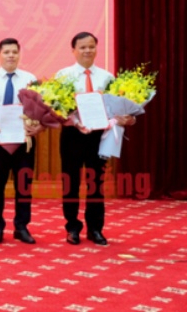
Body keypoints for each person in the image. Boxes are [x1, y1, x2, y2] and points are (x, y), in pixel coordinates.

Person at [55, 32, 136, 246]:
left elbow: (114, 106)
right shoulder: (63, 75)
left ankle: (95, 229)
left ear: (96, 49)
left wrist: (125, 117)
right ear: (73, 50)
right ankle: (72, 227)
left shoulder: (106, 77)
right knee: (70, 182)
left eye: (91, 46)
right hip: (73, 134)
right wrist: (74, 121)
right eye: (82, 47)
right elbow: (57, 109)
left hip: (99, 135)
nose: (87, 51)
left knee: (96, 182)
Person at [0, 38, 42, 245]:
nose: (10, 56)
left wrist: (37, 125)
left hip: (24, 140)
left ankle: (21, 226)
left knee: (24, 185)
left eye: (14, 52)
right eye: (6, 52)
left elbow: (38, 109)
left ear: (19, 54)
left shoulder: (30, 79)